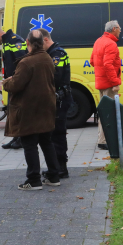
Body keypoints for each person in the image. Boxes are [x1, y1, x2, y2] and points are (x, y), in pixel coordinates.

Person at [2, 30, 61, 190]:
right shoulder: (47, 58)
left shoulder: (26, 62)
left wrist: (7, 82)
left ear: (27, 42)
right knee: (46, 142)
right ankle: (54, 175)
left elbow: (16, 85)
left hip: (30, 109)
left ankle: (34, 180)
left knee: (29, 144)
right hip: (47, 107)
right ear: (42, 42)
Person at [39, 28, 72, 178]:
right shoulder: (51, 53)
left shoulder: (57, 54)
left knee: (58, 135)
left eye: (40, 43)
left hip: (59, 100)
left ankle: (61, 168)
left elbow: (55, 78)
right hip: (56, 99)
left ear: (46, 40)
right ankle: (57, 167)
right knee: (54, 135)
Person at [0, 26, 27, 149]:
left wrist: (15, 78)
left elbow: (22, 61)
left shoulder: (15, 41)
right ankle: (16, 137)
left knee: (18, 112)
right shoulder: (7, 42)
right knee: (12, 112)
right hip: (12, 83)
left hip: (17, 83)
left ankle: (20, 139)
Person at [90, 20, 122, 150]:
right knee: (109, 112)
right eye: (119, 28)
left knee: (104, 111)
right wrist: (115, 82)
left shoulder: (99, 41)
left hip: (101, 82)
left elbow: (92, 61)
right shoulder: (111, 44)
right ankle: (104, 141)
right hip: (109, 84)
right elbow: (108, 64)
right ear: (114, 29)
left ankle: (101, 139)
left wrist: (101, 74)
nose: (120, 30)